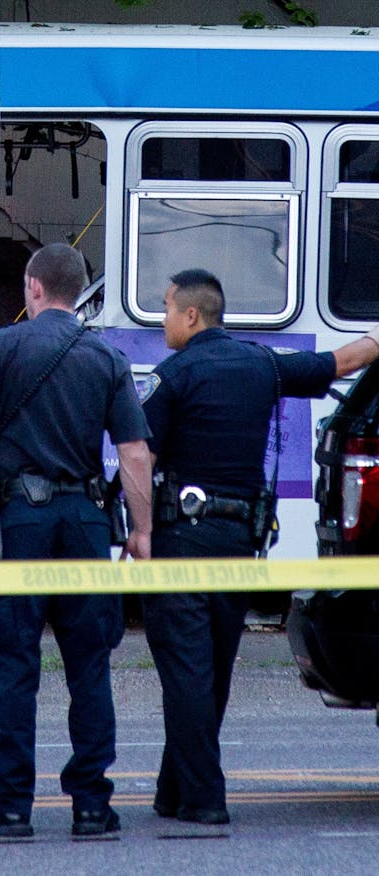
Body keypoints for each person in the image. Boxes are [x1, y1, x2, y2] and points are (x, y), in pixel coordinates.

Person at [136, 269, 379, 826]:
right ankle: (174, 790)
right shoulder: (262, 365)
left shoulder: (171, 376)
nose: (164, 318)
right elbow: (342, 362)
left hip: (181, 540)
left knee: (185, 670)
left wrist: (141, 530)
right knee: (212, 670)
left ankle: (202, 797)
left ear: (192, 315)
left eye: (168, 308)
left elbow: (142, 457)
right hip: (239, 542)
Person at [0, 242, 154, 839]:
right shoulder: (105, 358)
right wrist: (142, 532)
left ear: (33, 287)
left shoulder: (5, 344)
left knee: (13, 660)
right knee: (89, 663)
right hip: (85, 519)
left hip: (20, 523)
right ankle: (91, 804)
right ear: (78, 290)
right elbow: (134, 452)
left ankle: (7, 805)